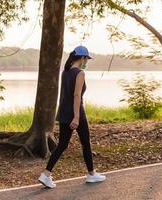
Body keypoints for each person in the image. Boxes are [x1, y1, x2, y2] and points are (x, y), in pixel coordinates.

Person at [38, 45, 106, 188]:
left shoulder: (65, 72)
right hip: (76, 113)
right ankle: (92, 174)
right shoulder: (79, 73)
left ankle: (45, 174)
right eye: (86, 58)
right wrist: (76, 117)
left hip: (63, 112)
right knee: (86, 143)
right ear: (82, 58)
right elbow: (76, 95)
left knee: (62, 145)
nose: (86, 61)